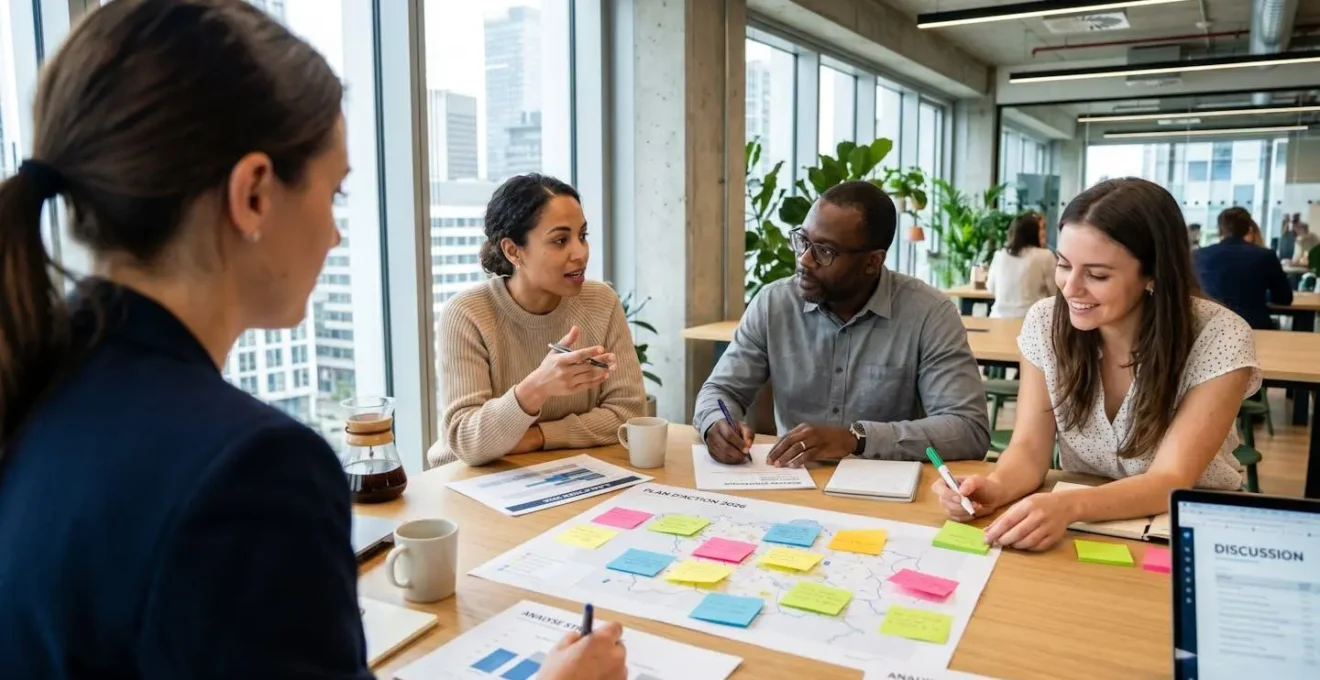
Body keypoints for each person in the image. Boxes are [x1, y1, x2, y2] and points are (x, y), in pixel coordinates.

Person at [0, 2, 626, 679]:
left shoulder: (36, 387)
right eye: (334, 193)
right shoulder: (253, 470)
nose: (334, 234)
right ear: (254, 195)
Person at [933, 178, 1260, 551]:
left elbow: (1172, 478)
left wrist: (1069, 505)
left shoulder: (1219, 335)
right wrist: (993, 487)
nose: (1070, 287)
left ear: (1152, 274)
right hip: (1088, 527)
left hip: (1188, 529)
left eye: (1097, 275)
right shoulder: (1045, 322)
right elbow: (1028, 448)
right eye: (1064, 264)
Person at [694, 181, 989, 467]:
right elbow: (721, 390)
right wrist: (715, 424)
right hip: (791, 481)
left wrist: (857, 439)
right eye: (803, 241)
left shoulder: (928, 314)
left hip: (887, 490)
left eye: (825, 251)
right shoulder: (774, 304)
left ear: (873, 262)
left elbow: (967, 428)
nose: (805, 260)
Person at [431, 174, 646, 467]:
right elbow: (466, 441)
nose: (580, 253)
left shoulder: (601, 302)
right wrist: (537, 387)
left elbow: (628, 414)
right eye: (560, 240)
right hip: (471, 482)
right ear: (513, 251)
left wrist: (537, 436)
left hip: (562, 473)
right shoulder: (467, 314)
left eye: (582, 236)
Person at [1194, 207, 1293, 330]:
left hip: (1209, 328)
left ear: (1220, 230)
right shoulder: (1265, 255)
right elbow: (1284, 298)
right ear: (1248, 228)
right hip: (1254, 328)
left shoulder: (1199, 255)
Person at [986, 212, 1058, 319]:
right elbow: (1055, 293)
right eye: (1041, 228)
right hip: (1030, 321)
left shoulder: (999, 255)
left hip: (998, 319)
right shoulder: (1045, 256)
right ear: (1032, 232)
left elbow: (991, 288)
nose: (1044, 233)